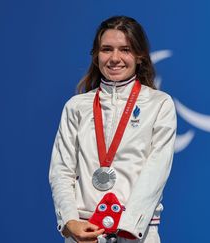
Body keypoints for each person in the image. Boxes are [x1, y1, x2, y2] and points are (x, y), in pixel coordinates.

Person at [49, 16, 176, 243]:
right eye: (107, 49)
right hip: (85, 232)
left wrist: (128, 226)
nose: (115, 58)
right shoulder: (76, 106)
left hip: (138, 233)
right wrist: (70, 222)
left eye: (125, 50)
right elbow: (61, 170)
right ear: (96, 56)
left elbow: (156, 170)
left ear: (139, 56)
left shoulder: (160, 104)